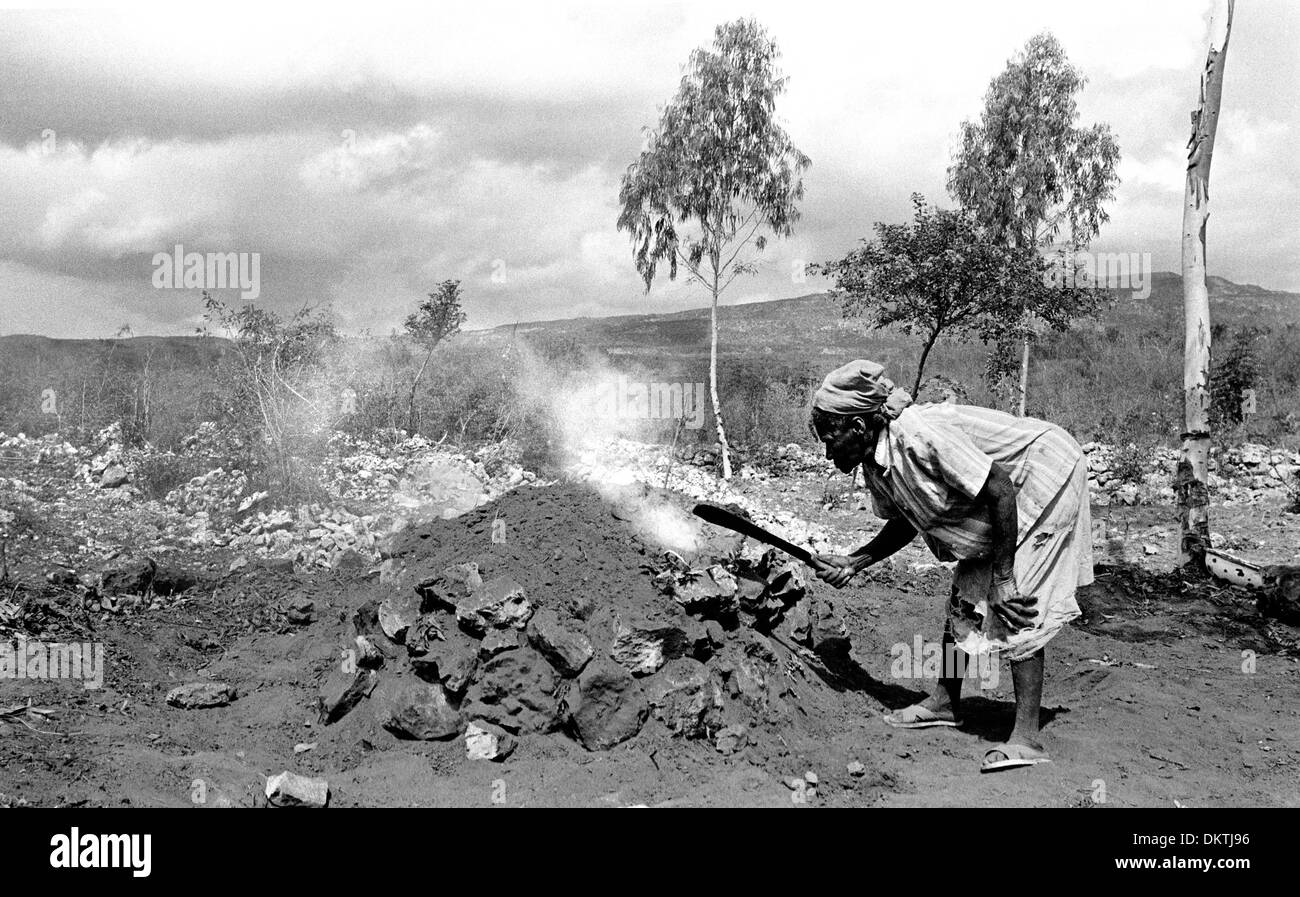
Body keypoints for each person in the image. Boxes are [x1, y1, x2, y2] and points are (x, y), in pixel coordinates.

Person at [807, 359, 1093, 773]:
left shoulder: (920, 435)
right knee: (965, 595)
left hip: (1044, 471)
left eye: (829, 438)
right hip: (1000, 497)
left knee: (1015, 598)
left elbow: (999, 488)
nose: (827, 450)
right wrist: (855, 562)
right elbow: (907, 517)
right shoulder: (876, 461)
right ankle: (945, 701)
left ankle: (1027, 738)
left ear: (857, 427)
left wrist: (1005, 575)